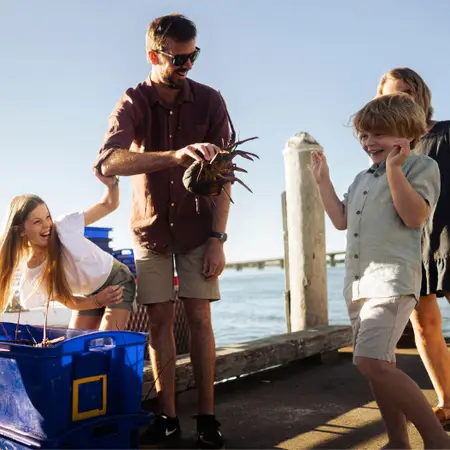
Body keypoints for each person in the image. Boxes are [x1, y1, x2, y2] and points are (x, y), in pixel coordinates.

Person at [93, 13, 231, 448]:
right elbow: (108, 161)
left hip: (198, 231)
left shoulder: (211, 101)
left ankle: (207, 419)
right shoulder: (133, 100)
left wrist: (217, 239)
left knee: (200, 319)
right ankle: (168, 417)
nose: (189, 66)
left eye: (194, 57)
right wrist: (173, 157)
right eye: (179, 59)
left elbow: (226, 178)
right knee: (157, 323)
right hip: (150, 230)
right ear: (154, 54)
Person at [309, 92, 450, 448]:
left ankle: (435, 439)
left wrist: (394, 170)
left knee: (371, 362)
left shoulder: (421, 168)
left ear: (407, 133)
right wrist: (322, 180)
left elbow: (414, 215)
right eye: (365, 136)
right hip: (358, 286)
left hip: (392, 282)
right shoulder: (360, 179)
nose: (370, 142)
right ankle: (398, 442)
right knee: (380, 372)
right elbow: (341, 220)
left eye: (379, 134)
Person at [378, 67, 450, 426]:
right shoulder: (389, 149)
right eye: (394, 94)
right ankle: (448, 402)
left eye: (408, 91)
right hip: (412, 243)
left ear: (421, 96)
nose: (402, 98)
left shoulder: (445, 132)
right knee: (423, 325)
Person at [0, 169, 135, 331]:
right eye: (37, 222)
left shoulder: (65, 226)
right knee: (75, 343)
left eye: (47, 217)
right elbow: (68, 301)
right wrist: (97, 301)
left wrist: (112, 184)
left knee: (105, 342)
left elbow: (109, 205)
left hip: (115, 280)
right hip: (88, 295)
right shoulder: (34, 270)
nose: (47, 226)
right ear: (20, 231)